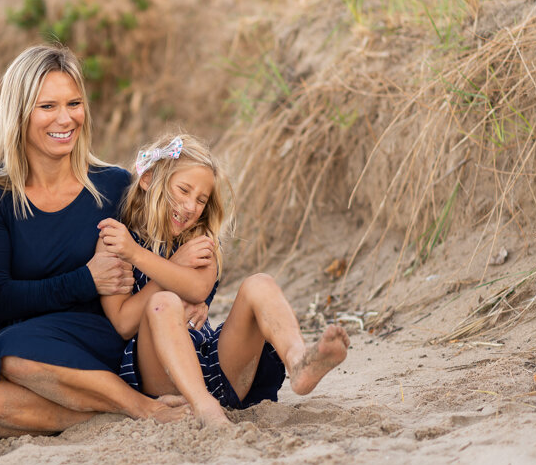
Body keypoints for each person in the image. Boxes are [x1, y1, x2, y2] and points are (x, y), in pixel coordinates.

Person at [0, 45, 191, 439]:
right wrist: (86, 279)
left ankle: (140, 408)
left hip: (96, 337)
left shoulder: (114, 184)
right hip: (21, 336)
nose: (66, 119)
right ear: (19, 114)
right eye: (47, 106)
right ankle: (102, 417)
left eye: (74, 103)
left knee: (14, 357)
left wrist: (195, 295)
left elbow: (167, 254)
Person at [97, 132, 350, 427]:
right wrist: (141, 256)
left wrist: (144, 258)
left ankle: (299, 363)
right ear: (148, 179)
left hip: (216, 371)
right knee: (162, 302)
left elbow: (198, 287)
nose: (191, 206)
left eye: (201, 199)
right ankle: (204, 407)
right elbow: (123, 322)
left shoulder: (199, 240)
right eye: (183, 190)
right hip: (161, 378)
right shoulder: (118, 241)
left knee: (260, 283)